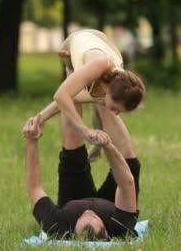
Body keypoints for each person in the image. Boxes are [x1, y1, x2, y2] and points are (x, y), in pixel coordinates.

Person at [22, 104, 141, 240]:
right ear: (107, 233)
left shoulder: (57, 226)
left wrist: (31, 141)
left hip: (73, 197)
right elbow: (126, 183)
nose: (88, 211)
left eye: (83, 216)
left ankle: (73, 95)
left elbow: (34, 187)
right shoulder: (120, 227)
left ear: (72, 233)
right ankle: (103, 98)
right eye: (94, 216)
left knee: (72, 146)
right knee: (130, 165)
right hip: (116, 203)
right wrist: (107, 145)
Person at [31, 29, 146, 158]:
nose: (116, 113)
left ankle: (97, 146)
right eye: (116, 108)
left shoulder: (120, 81)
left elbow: (68, 97)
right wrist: (85, 131)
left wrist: (39, 119)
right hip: (74, 42)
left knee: (101, 103)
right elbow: (61, 96)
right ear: (110, 91)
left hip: (103, 44)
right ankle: (83, 151)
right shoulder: (99, 66)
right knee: (85, 100)